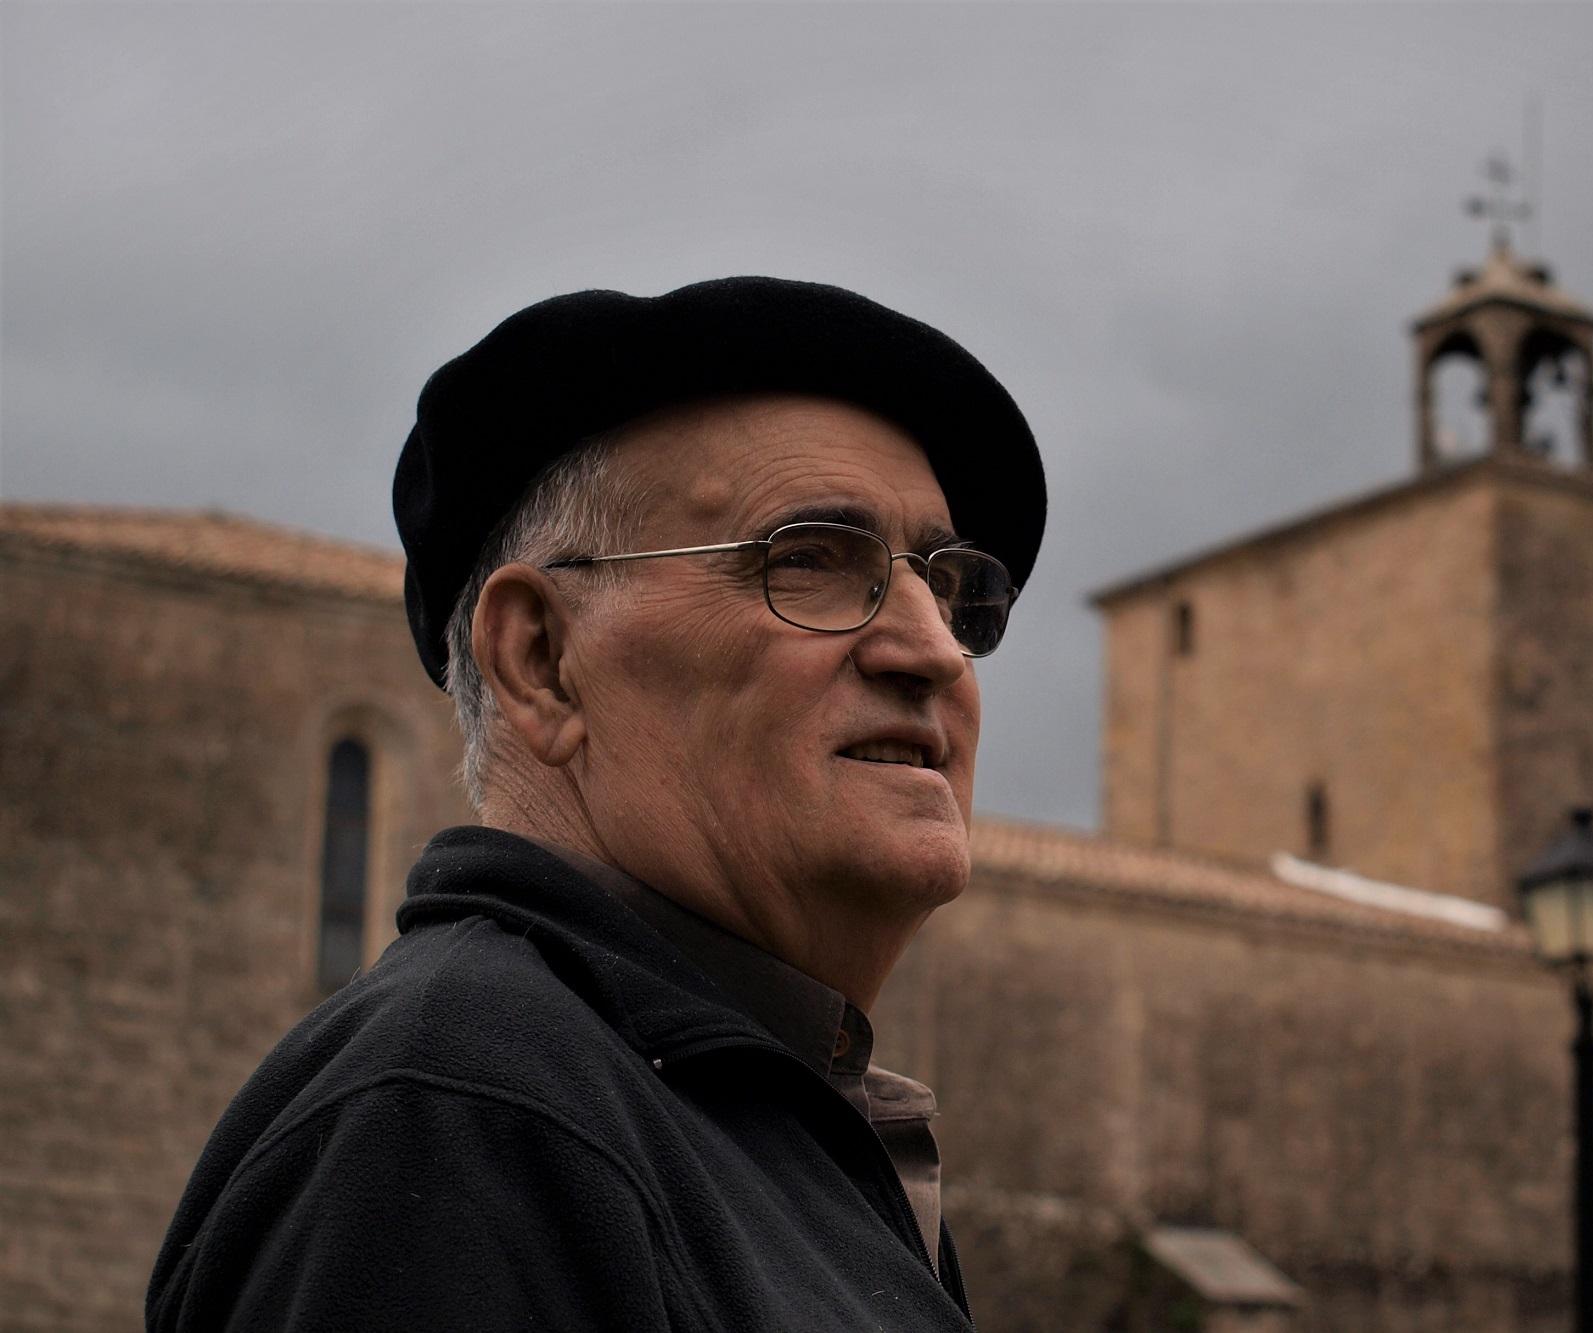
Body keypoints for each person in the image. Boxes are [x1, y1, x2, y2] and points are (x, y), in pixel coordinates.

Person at [145, 277, 1045, 1331]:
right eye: (806, 560)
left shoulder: (715, 1121)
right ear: (540, 660)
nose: (933, 647)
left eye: (945, 584)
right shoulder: (466, 1114)